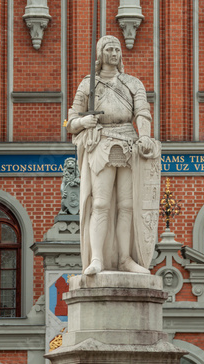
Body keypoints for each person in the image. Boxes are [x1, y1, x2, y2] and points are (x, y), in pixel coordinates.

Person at [67, 35, 160, 275]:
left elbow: (142, 112)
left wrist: (146, 135)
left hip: (128, 141)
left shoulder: (132, 83)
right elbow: (70, 120)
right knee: (100, 203)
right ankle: (97, 258)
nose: (115, 53)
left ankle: (125, 258)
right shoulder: (89, 83)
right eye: (109, 49)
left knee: (127, 205)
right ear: (100, 54)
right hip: (102, 141)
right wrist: (84, 120)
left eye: (117, 49)